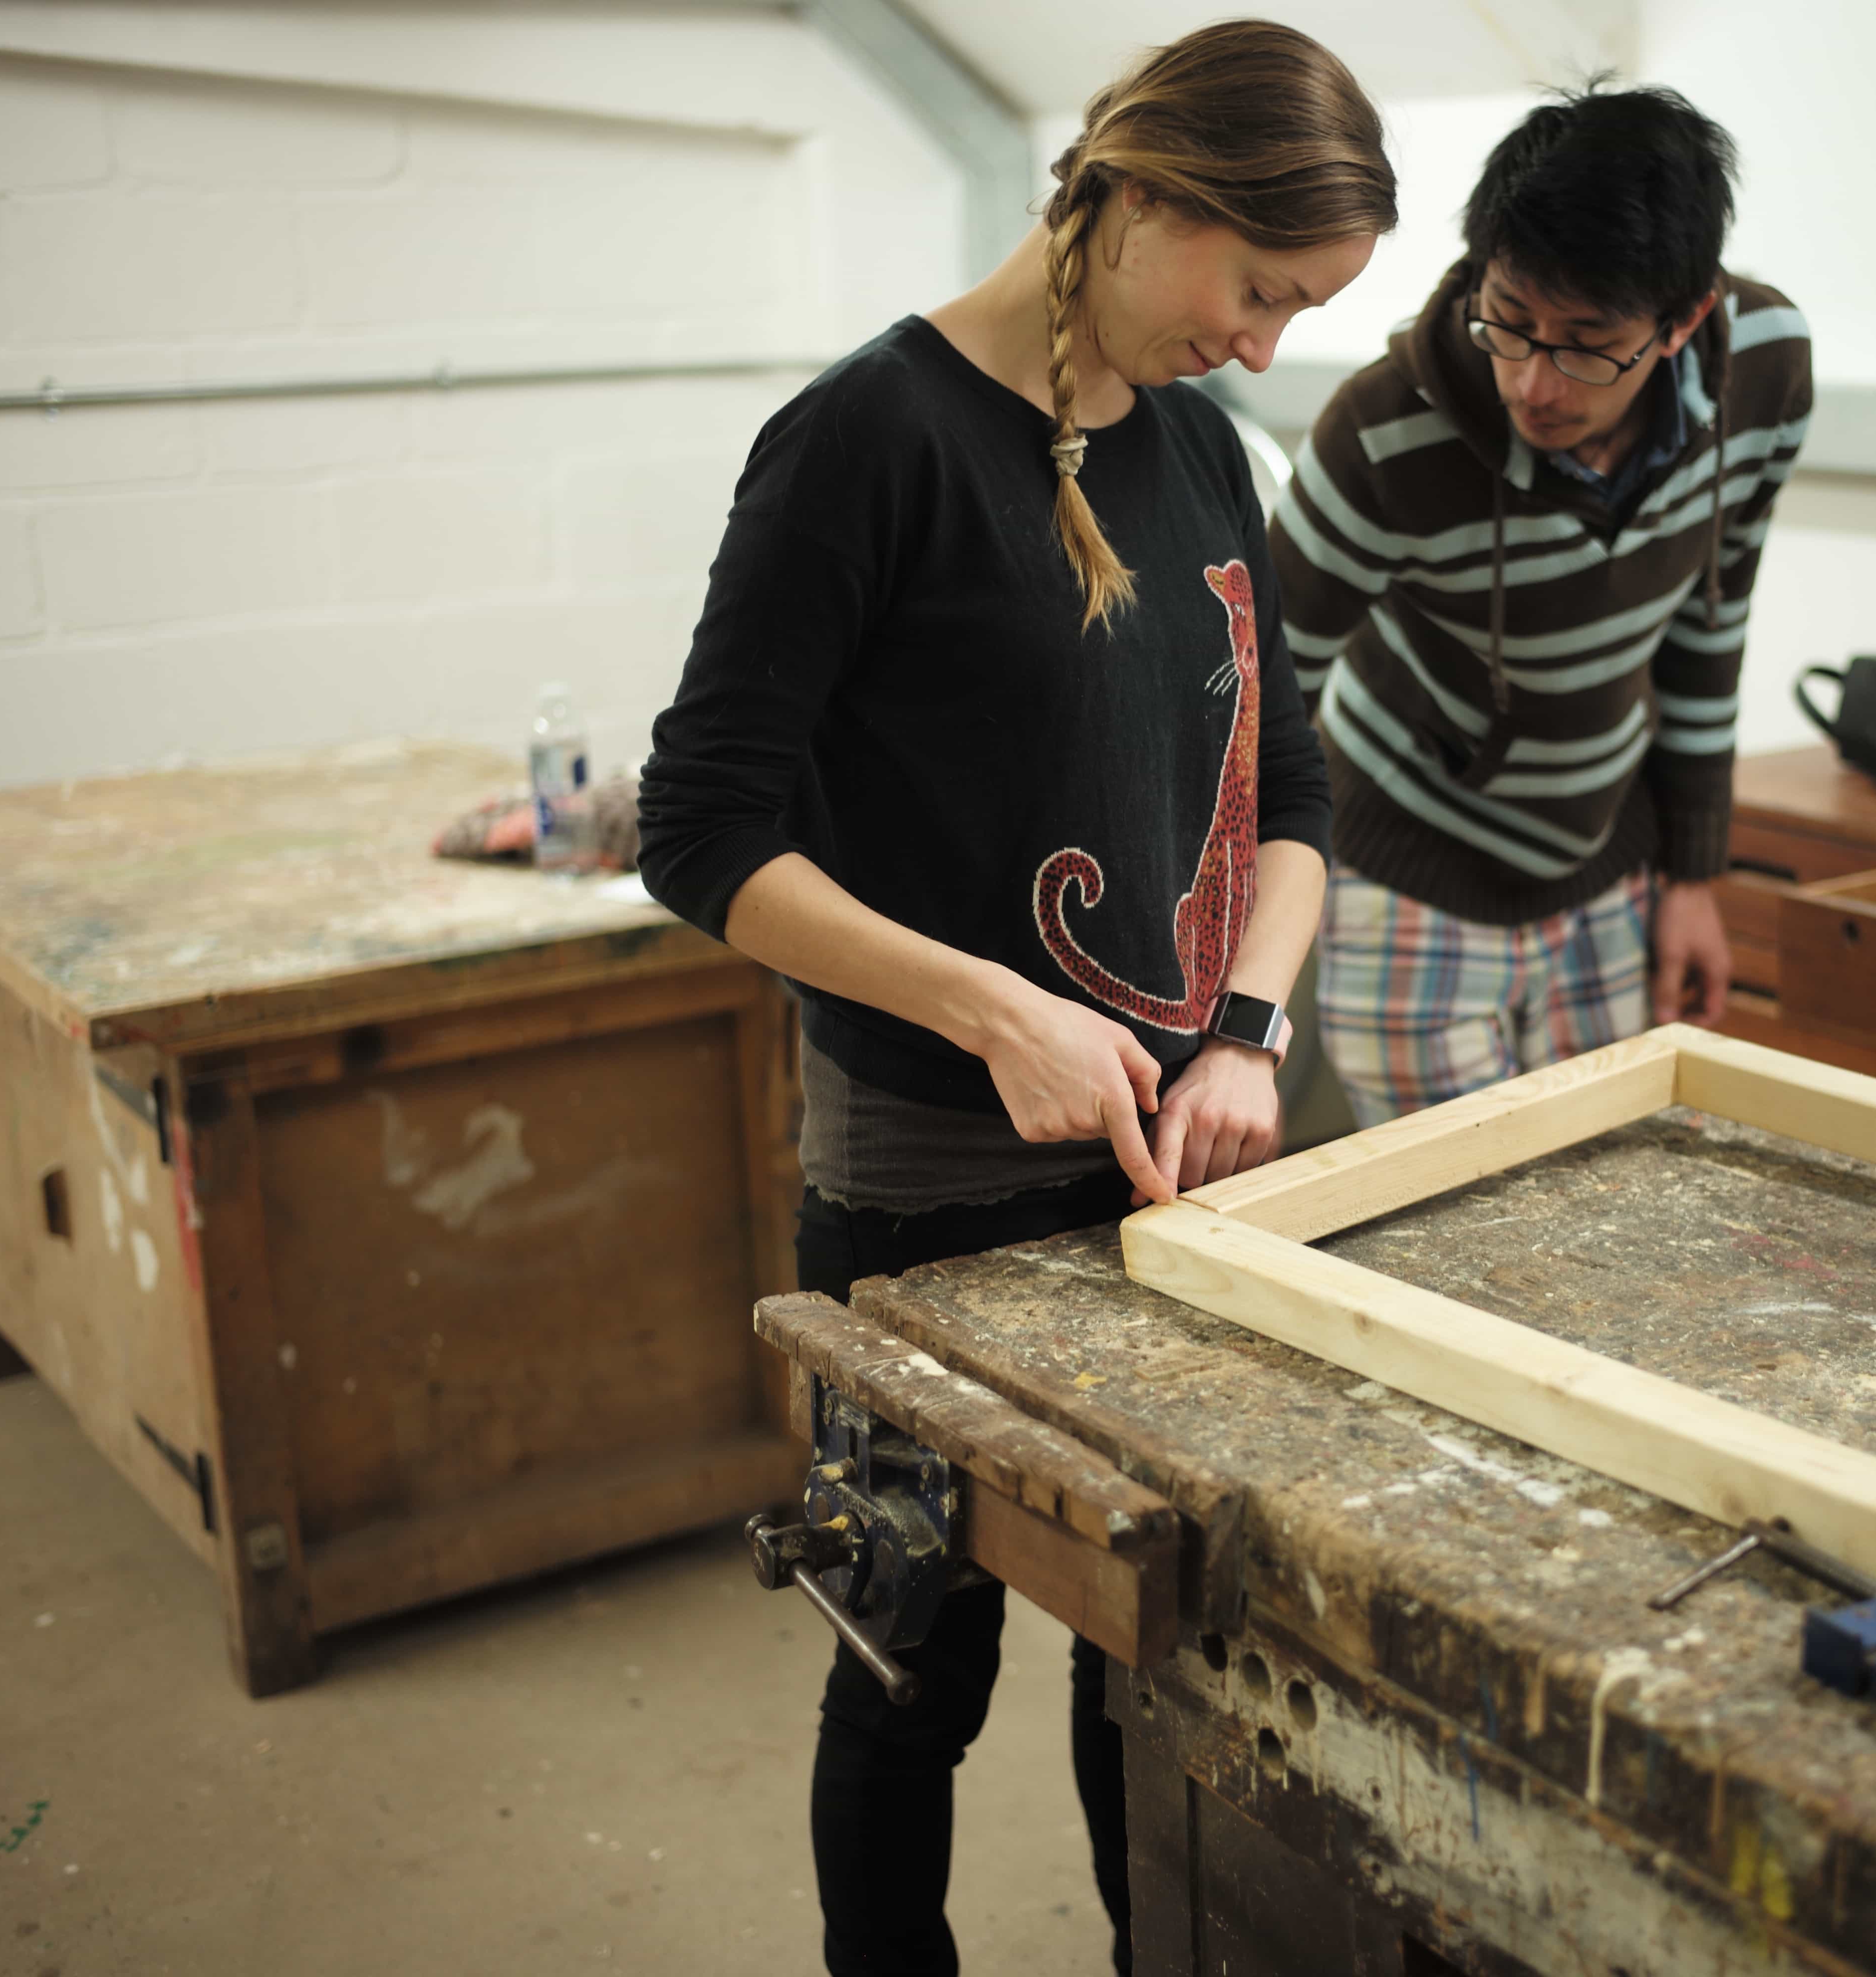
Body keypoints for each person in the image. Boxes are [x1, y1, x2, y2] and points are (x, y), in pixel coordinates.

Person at [635, 23, 1393, 1976]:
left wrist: (1249, 1028)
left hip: (1162, 1181)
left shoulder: (1205, 450)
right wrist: (988, 1006)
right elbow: (704, 830)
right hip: (921, 1192)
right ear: (1145, 201)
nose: (1266, 346)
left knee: (1150, 1646)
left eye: (1303, 310)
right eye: (1261, 289)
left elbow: (1292, 803)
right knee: (909, 1661)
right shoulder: (867, 440)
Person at [1267, 84, 1811, 1123]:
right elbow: (1258, 695)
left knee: (1596, 1204)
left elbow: (1712, 623)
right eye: (1510, 323)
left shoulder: (1767, 368)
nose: (1537, 384)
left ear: (1686, 319)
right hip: (1408, 866)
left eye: (1587, 342)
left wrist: (1693, 875)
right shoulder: (1385, 433)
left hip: (1607, 866)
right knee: (1440, 1232)